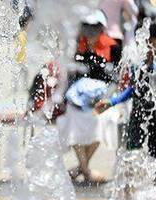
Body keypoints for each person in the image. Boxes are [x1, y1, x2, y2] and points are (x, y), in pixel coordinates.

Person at [58, 10, 117, 184]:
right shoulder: (78, 44)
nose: (90, 31)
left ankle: (80, 169)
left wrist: (105, 97)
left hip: (100, 99)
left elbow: (115, 78)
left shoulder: (113, 47)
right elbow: (70, 73)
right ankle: (86, 170)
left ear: (101, 28)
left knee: (104, 122)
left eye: (94, 27)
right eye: (87, 26)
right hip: (77, 100)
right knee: (73, 124)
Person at [95, 22, 156, 158]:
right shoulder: (139, 64)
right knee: (131, 154)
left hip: (153, 116)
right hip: (138, 113)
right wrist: (112, 101)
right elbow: (133, 89)